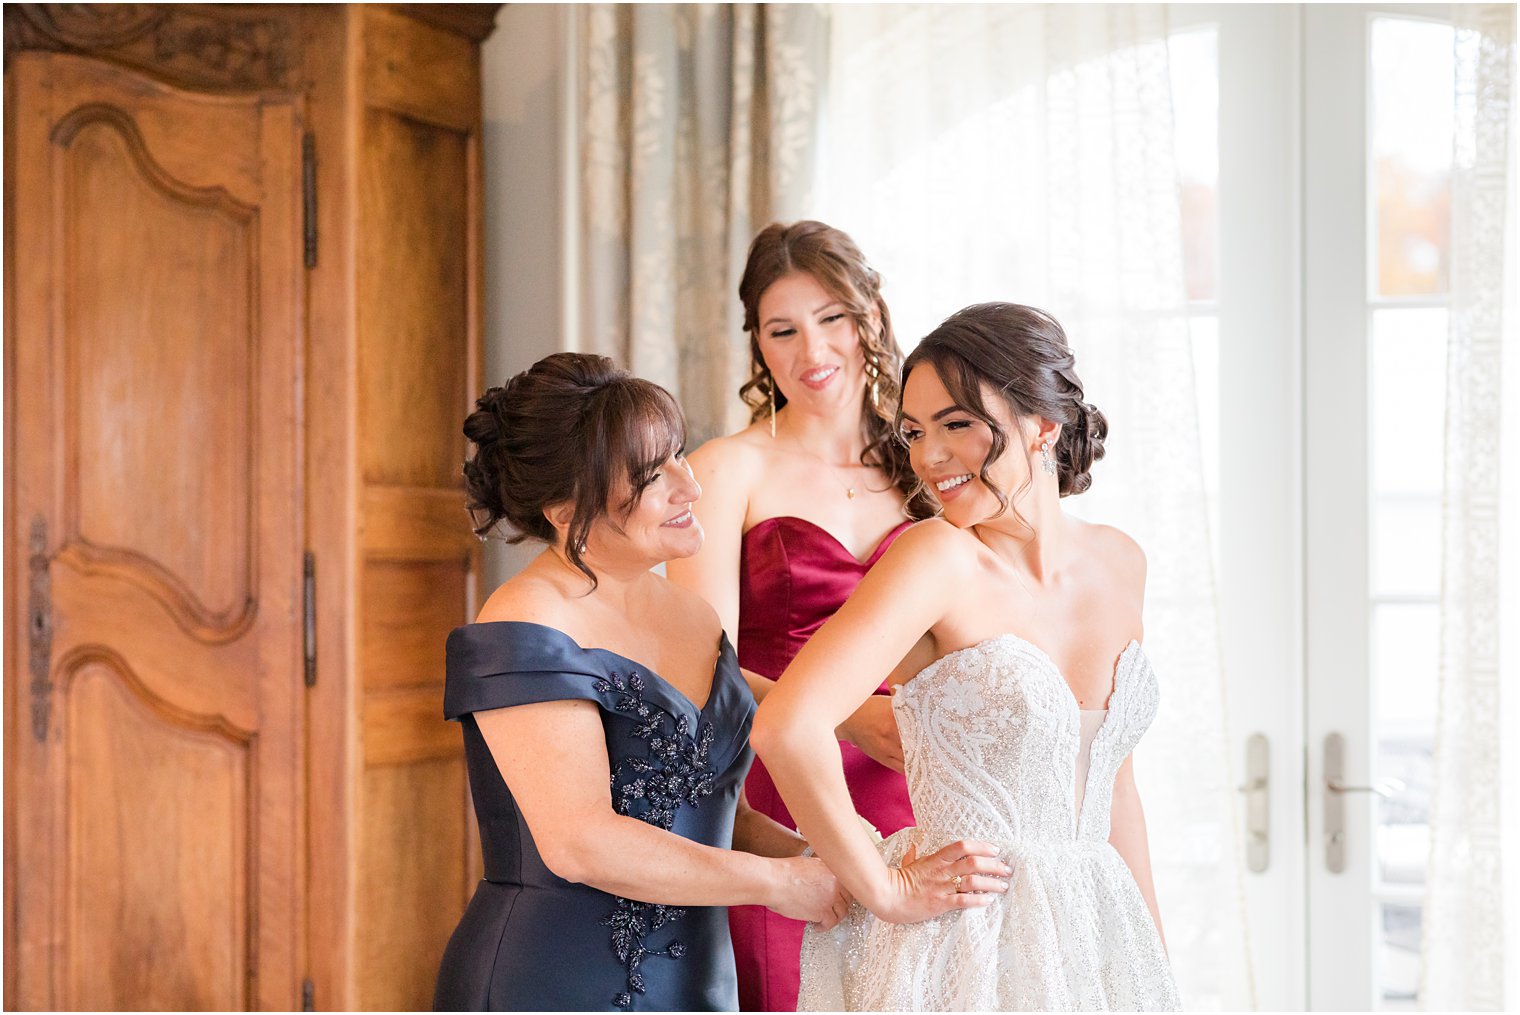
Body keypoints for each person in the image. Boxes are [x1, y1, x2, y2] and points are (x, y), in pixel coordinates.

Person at [753, 304, 1183, 1011]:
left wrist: (1151, 971)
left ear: (1045, 424)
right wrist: (880, 886)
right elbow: (786, 726)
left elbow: (1116, 791)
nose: (928, 457)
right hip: (965, 949)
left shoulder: (1121, 560)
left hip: (1095, 939)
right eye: (915, 432)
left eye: (957, 425)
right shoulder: (938, 557)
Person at [434, 352, 851, 1012]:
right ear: (566, 510)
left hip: (697, 984)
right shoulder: (525, 623)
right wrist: (778, 883)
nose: (690, 485)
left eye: (679, 454)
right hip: (553, 982)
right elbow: (581, 840)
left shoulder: (693, 615)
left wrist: (835, 861)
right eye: (650, 476)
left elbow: (718, 815)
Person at [667, 221, 936, 1011]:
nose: (811, 350)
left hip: (922, 786)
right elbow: (697, 660)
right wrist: (845, 718)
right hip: (784, 790)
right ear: (757, 344)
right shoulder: (727, 468)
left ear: (872, 320)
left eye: (832, 319)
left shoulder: (927, 466)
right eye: (782, 330)